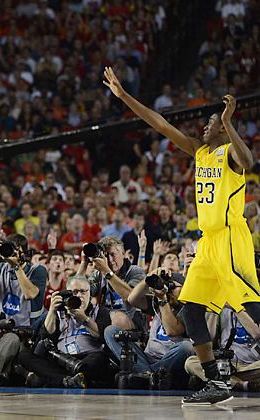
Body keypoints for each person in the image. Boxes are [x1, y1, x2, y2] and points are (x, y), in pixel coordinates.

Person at [105, 67, 260, 404]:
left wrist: (230, 121)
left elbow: (249, 159)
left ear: (223, 128)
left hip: (231, 238)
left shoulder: (230, 154)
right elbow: (159, 123)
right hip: (207, 243)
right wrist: (124, 97)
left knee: (251, 306)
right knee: (191, 312)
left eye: (211, 122)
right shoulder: (199, 151)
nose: (204, 126)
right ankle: (215, 382)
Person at [16, 275, 112, 388]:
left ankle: (57, 379)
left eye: (83, 292)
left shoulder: (100, 311)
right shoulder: (59, 312)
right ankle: (69, 380)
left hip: (88, 358)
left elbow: (101, 336)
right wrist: (52, 310)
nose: (79, 296)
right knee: (24, 356)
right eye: (74, 292)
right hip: (61, 359)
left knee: (100, 358)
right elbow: (46, 335)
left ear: (90, 293)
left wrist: (85, 319)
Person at [105, 268, 195, 388]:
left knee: (186, 347)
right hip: (147, 357)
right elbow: (132, 299)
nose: (170, 290)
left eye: (174, 287)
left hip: (169, 360)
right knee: (111, 331)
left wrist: (162, 300)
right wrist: (148, 279)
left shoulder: (189, 308)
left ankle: (145, 374)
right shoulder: (156, 302)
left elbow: (172, 330)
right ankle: (148, 374)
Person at [0, 234, 47, 328]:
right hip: (2, 325)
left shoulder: (38, 270)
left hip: (29, 328)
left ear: (23, 252)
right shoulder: (1, 267)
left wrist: (16, 266)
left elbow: (30, 294)